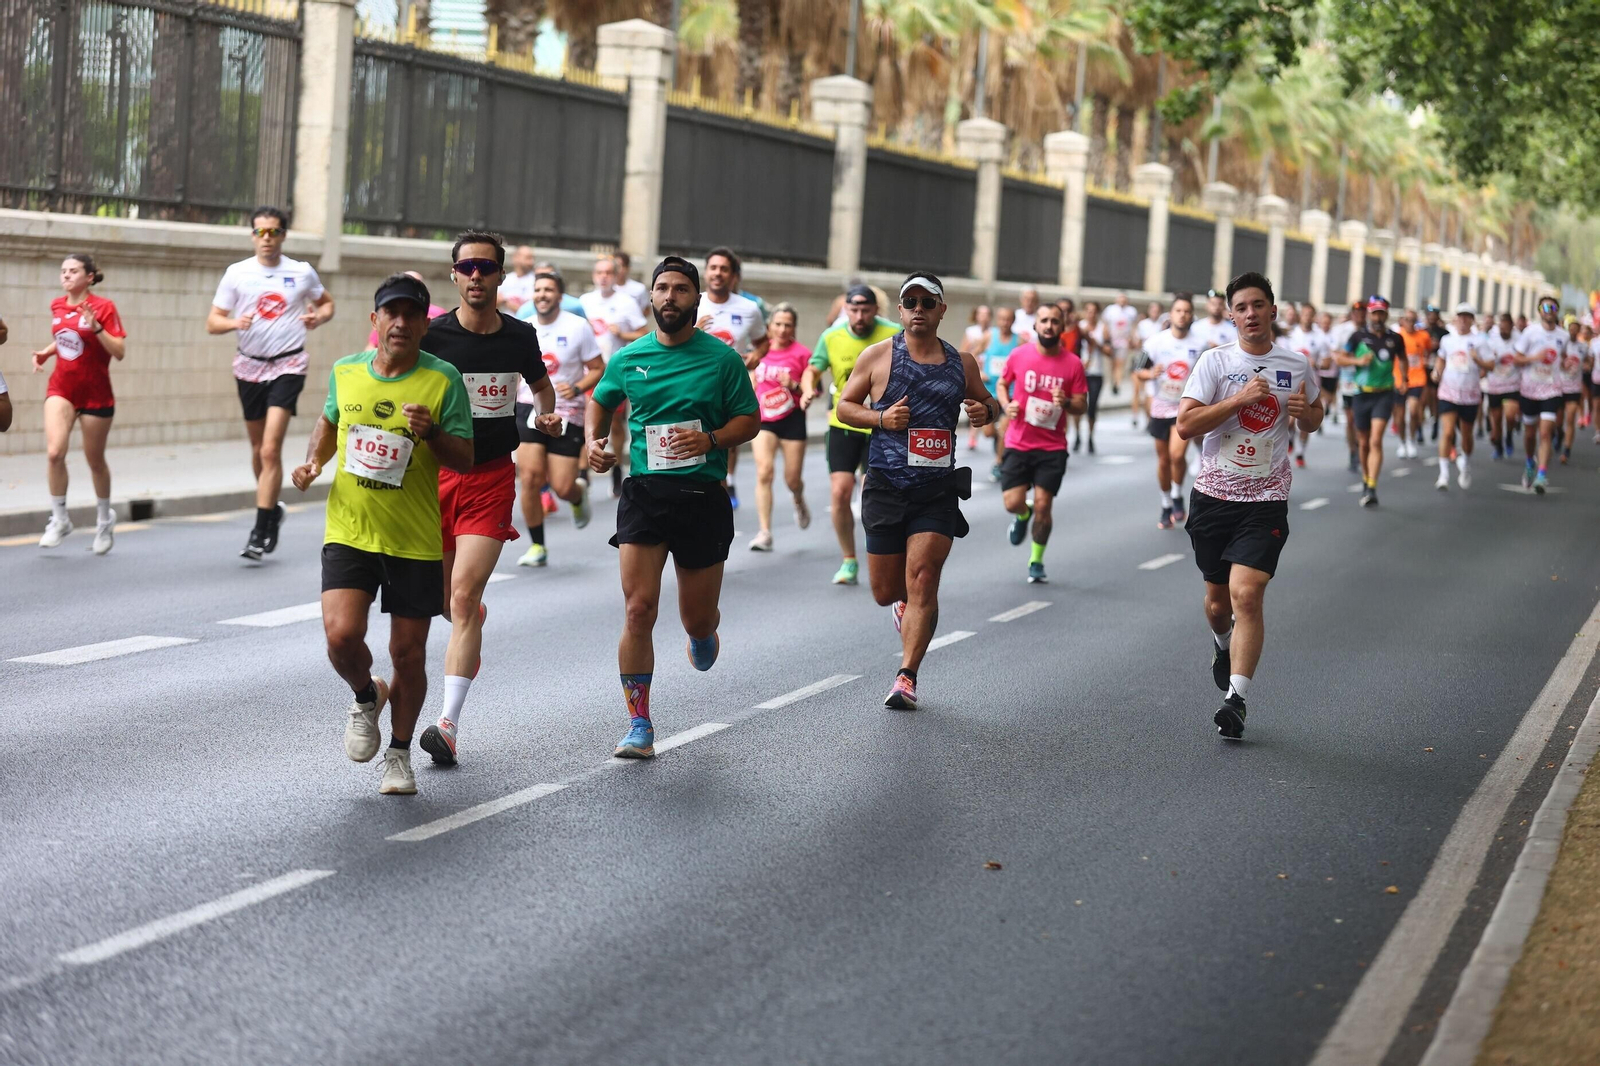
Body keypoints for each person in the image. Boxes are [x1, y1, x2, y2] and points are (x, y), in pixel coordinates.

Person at [291, 274, 474, 795]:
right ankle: (366, 693)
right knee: (341, 637)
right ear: (375, 321)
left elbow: (464, 458)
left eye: (411, 314)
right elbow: (330, 421)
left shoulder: (443, 379)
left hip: (413, 539)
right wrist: (313, 462)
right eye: (391, 313)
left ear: (424, 325)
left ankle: (398, 754)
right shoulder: (346, 370)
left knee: (408, 654)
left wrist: (431, 433)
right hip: (350, 529)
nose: (400, 323)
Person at [585, 256, 760, 759]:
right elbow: (601, 400)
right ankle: (639, 724)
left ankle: (703, 634)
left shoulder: (721, 359)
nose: (669, 297)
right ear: (651, 297)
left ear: (696, 299)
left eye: (681, 289)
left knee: (696, 620)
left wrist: (710, 439)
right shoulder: (629, 357)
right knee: (638, 609)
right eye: (662, 288)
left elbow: (749, 420)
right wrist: (594, 441)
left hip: (702, 497)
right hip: (645, 494)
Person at [415, 233, 560, 768]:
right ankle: (470, 617)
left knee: (461, 598)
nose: (476, 275)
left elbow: (541, 387)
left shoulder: (519, 336)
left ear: (500, 275)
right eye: (467, 267)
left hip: (491, 478)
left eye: (486, 267)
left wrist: (545, 415)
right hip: (435, 478)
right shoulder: (432, 336)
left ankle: (447, 725)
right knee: (449, 602)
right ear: (454, 275)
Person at [835, 273, 998, 711]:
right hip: (886, 485)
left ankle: (906, 676)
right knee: (885, 590)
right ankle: (902, 605)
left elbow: (990, 403)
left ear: (942, 309)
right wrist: (880, 419)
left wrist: (985, 411)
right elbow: (844, 407)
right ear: (901, 310)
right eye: (911, 302)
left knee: (924, 576)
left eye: (929, 302)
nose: (919, 309)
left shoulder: (961, 362)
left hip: (936, 489)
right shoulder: (878, 355)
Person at [1176, 271, 1323, 741]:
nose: (1251, 314)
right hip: (1213, 497)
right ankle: (1222, 643)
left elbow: (1315, 415)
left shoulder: (1296, 364)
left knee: (1247, 594)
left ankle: (1235, 699)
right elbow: (1185, 425)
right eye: (1241, 307)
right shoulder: (1215, 362)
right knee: (1219, 603)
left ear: (1273, 310)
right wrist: (1239, 399)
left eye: (1258, 305)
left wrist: (1306, 415)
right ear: (1231, 316)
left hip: (1266, 498)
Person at [208, 206, 336, 561]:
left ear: (283, 235)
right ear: (253, 235)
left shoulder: (300, 272)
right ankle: (273, 509)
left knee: (269, 449)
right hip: (248, 366)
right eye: (260, 232)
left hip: (288, 364)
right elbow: (213, 321)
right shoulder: (237, 273)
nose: (267, 239)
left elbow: (327, 304)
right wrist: (235, 323)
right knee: (257, 450)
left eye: (274, 232)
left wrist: (317, 317)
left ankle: (259, 531)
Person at [801, 285, 901, 586]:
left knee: (872, 493)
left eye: (865, 310)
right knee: (840, 492)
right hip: (842, 424)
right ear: (845, 309)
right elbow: (813, 369)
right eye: (853, 310)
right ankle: (848, 560)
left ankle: (882, 556)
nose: (859, 316)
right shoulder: (832, 336)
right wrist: (807, 389)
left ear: (875, 310)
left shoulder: (893, 333)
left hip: (881, 427)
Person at [31, 254, 125, 554]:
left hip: (96, 393)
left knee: (95, 461)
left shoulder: (104, 307)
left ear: (89, 277)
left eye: (74, 271)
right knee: (54, 453)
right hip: (62, 389)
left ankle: (104, 521)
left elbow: (119, 351)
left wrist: (96, 327)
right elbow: (67, 336)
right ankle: (60, 519)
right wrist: (47, 352)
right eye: (64, 271)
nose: (67, 275)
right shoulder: (57, 305)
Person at [515, 271, 603, 567]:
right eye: (538, 289)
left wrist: (577, 387)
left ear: (560, 296)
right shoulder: (523, 327)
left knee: (562, 486)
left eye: (549, 289)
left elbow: (597, 367)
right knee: (530, 477)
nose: (542, 295)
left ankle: (577, 495)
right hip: (529, 406)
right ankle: (537, 545)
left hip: (567, 410)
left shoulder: (578, 327)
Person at [997, 303, 1088, 583]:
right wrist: (1007, 405)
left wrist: (1067, 402)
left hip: (1052, 447)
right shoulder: (1019, 355)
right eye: (1044, 320)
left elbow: (1082, 405)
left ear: (1062, 327)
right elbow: (1002, 384)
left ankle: (1036, 560)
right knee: (1012, 502)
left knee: (1043, 504)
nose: (1049, 325)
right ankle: (1022, 515)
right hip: (1018, 442)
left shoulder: (1073, 363)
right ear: (1035, 325)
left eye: (1055, 321)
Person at [697, 247, 768, 509]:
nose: (718, 273)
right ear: (706, 272)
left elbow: (762, 342)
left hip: (730, 383)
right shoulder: (693, 302)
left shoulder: (749, 308)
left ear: (733, 275)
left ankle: (729, 480)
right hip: (695, 381)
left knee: (728, 436)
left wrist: (755, 356)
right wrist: (693, 330)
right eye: (713, 268)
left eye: (724, 269)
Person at [580, 256, 650, 498]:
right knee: (586, 418)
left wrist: (623, 333)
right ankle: (583, 472)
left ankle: (617, 468)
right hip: (590, 370)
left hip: (616, 371)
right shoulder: (585, 301)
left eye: (608, 272)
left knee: (616, 423)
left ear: (616, 275)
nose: (603, 277)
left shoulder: (626, 302)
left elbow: (644, 333)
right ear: (593, 275)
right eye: (599, 272)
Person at [749, 303, 812, 552]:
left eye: (788, 325)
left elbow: (813, 389)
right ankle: (764, 532)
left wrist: (794, 385)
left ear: (794, 327)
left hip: (792, 419)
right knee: (764, 471)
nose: (783, 329)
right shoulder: (759, 351)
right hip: (764, 420)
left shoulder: (803, 354)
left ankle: (797, 497)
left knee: (792, 479)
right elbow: (748, 376)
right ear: (769, 326)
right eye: (778, 324)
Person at [1135, 293, 1202, 529]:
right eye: (1178, 311)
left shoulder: (1200, 344)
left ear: (1192, 315)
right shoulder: (1155, 342)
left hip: (1184, 408)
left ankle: (1176, 494)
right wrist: (1150, 373)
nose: (1182, 315)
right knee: (1163, 460)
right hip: (1160, 407)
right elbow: (1138, 370)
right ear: (1171, 314)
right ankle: (1166, 502)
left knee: (1177, 455)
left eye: (1187, 311)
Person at [1339, 295, 1406, 508]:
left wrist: (1404, 379)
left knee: (1376, 440)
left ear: (1386, 315)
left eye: (1381, 313)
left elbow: (1403, 359)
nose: (1378, 317)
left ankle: (1372, 487)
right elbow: (1340, 358)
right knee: (1364, 442)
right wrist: (1358, 361)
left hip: (1384, 394)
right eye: (1374, 313)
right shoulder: (1358, 336)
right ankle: (1366, 479)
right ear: (1370, 314)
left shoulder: (1395, 338)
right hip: (1361, 394)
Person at [1432, 302, 1493, 491]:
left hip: (1470, 394)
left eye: (1467, 317)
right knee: (1447, 432)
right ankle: (1443, 475)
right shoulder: (1447, 340)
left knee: (1466, 435)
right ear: (1455, 318)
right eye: (1461, 316)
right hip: (1448, 392)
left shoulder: (1480, 341)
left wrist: (1477, 359)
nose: (1463, 320)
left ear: (1472, 320)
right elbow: (1441, 358)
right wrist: (1436, 371)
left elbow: (1491, 365)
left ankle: (1465, 463)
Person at [1513, 296, 1567, 494]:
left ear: (1557, 311)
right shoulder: (1530, 332)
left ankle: (1542, 475)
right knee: (1530, 435)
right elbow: (1516, 359)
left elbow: (1562, 358)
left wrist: (1565, 364)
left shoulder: (1563, 336)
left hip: (1551, 389)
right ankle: (1530, 462)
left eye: (1552, 307)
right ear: (1539, 311)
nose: (1549, 310)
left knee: (1545, 433)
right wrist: (1534, 357)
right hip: (1529, 389)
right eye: (1545, 307)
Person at [1286, 302, 1331, 467]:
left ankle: (1300, 452)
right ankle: (1291, 438)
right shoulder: (1291, 335)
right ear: (1300, 315)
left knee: (1305, 418)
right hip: (1290, 382)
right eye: (1304, 314)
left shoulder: (1320, 338)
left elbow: (1327, 363)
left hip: (1311, 382)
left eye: (1310, 315)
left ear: (1313, 317)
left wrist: (1316, 364)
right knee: (1290, 420)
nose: (1307, 317)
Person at [980, 307, 1022, 481]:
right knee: (989, 432)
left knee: (1004, 429)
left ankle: (999, 462)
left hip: (1010, 393)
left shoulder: (1019, 341)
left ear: (1013, 321)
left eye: (1008, 319)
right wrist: (979, 371)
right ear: (997, 320)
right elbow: (971, 354)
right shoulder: (989, 336)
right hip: (990, 391)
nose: (1005, 323)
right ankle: (1000, 441)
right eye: (1002, 319)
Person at [1482, 312, 1522, 459]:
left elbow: (1524, 357)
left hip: (1513, 384)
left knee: (1510, 416)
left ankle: (1509, 435)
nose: (1503, 331)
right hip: (1495, 385)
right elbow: (1486, 360)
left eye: (1506, 328)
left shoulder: (1519, 339)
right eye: (1501, 328)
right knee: (1497, 420)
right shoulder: (1492, 339)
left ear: (1511, 326)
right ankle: (1498, 446)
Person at [1073, 300, 1110, 454]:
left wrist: (1096, 343)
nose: (1091, 314)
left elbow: (1109, 351)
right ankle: (1077, 435)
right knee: (1077, 405)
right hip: (1079, 372)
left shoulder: (1103, 328)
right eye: (1088, 311)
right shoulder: (1079, 327)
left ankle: (1090, 437)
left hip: (1096, 372)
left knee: (1092, 406)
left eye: (1094, 311)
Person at [1397, 309, 1434, 459]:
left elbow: (1428, 350)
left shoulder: (1423, 336)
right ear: (1402, 321)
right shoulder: (1397, 336)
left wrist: (1424, 360)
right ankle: (1402, 442)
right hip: (1399, 379)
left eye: (1413, 320)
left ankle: (1411, 439)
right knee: (1399, 417)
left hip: (1417, 378)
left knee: (1413, 411)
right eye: (1407, 320)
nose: (1410, 323)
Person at [1557, 315, 1585, 463]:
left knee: (1570, 418)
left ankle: (1566, 450)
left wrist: (1588, 365)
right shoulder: (1561, 345)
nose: (1573, 331)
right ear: (1568, 329)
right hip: (1560, 387)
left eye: (1576, 329)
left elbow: (1589, 362)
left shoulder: (1583, 347)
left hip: (1574, 388)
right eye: (1571, 329)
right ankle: (1558, 433)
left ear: (1579, 330)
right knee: (1558, 420)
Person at [1104, 290, 1139, 403]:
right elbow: (1105, 325)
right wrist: (1106, 340)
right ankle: (1112, 381)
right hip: (1112, 340)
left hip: (1124, 341)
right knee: (1112, 363)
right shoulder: (1110, 310)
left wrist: (1133, 339)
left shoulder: (1131, 311)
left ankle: (1117, 383)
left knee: (1120, 363)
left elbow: (1133, 326)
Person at [496, 244, 537, 314]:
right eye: (528, 258)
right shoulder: (505, 279)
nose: (531, 262)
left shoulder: (535, 281)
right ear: (516, 258)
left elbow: (528, 311)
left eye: (533, 258)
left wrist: (505, 302)